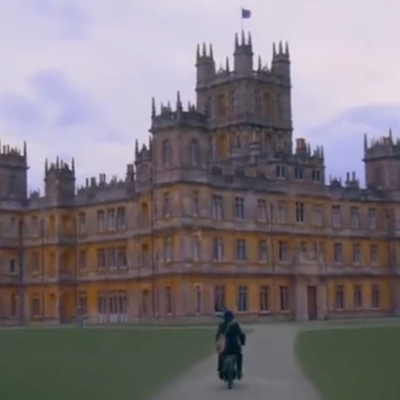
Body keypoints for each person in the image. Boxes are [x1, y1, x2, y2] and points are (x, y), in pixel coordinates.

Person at [215, 310, 246, 380]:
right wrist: (243, 342)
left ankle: (220, 371)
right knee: (239, 356)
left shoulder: (222, 325)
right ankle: (239, 371)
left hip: (225, 348)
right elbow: (241, 335)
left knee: (221, 355)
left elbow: (218, 336)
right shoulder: (235, 325)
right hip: (234, 348)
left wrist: (218, 343)